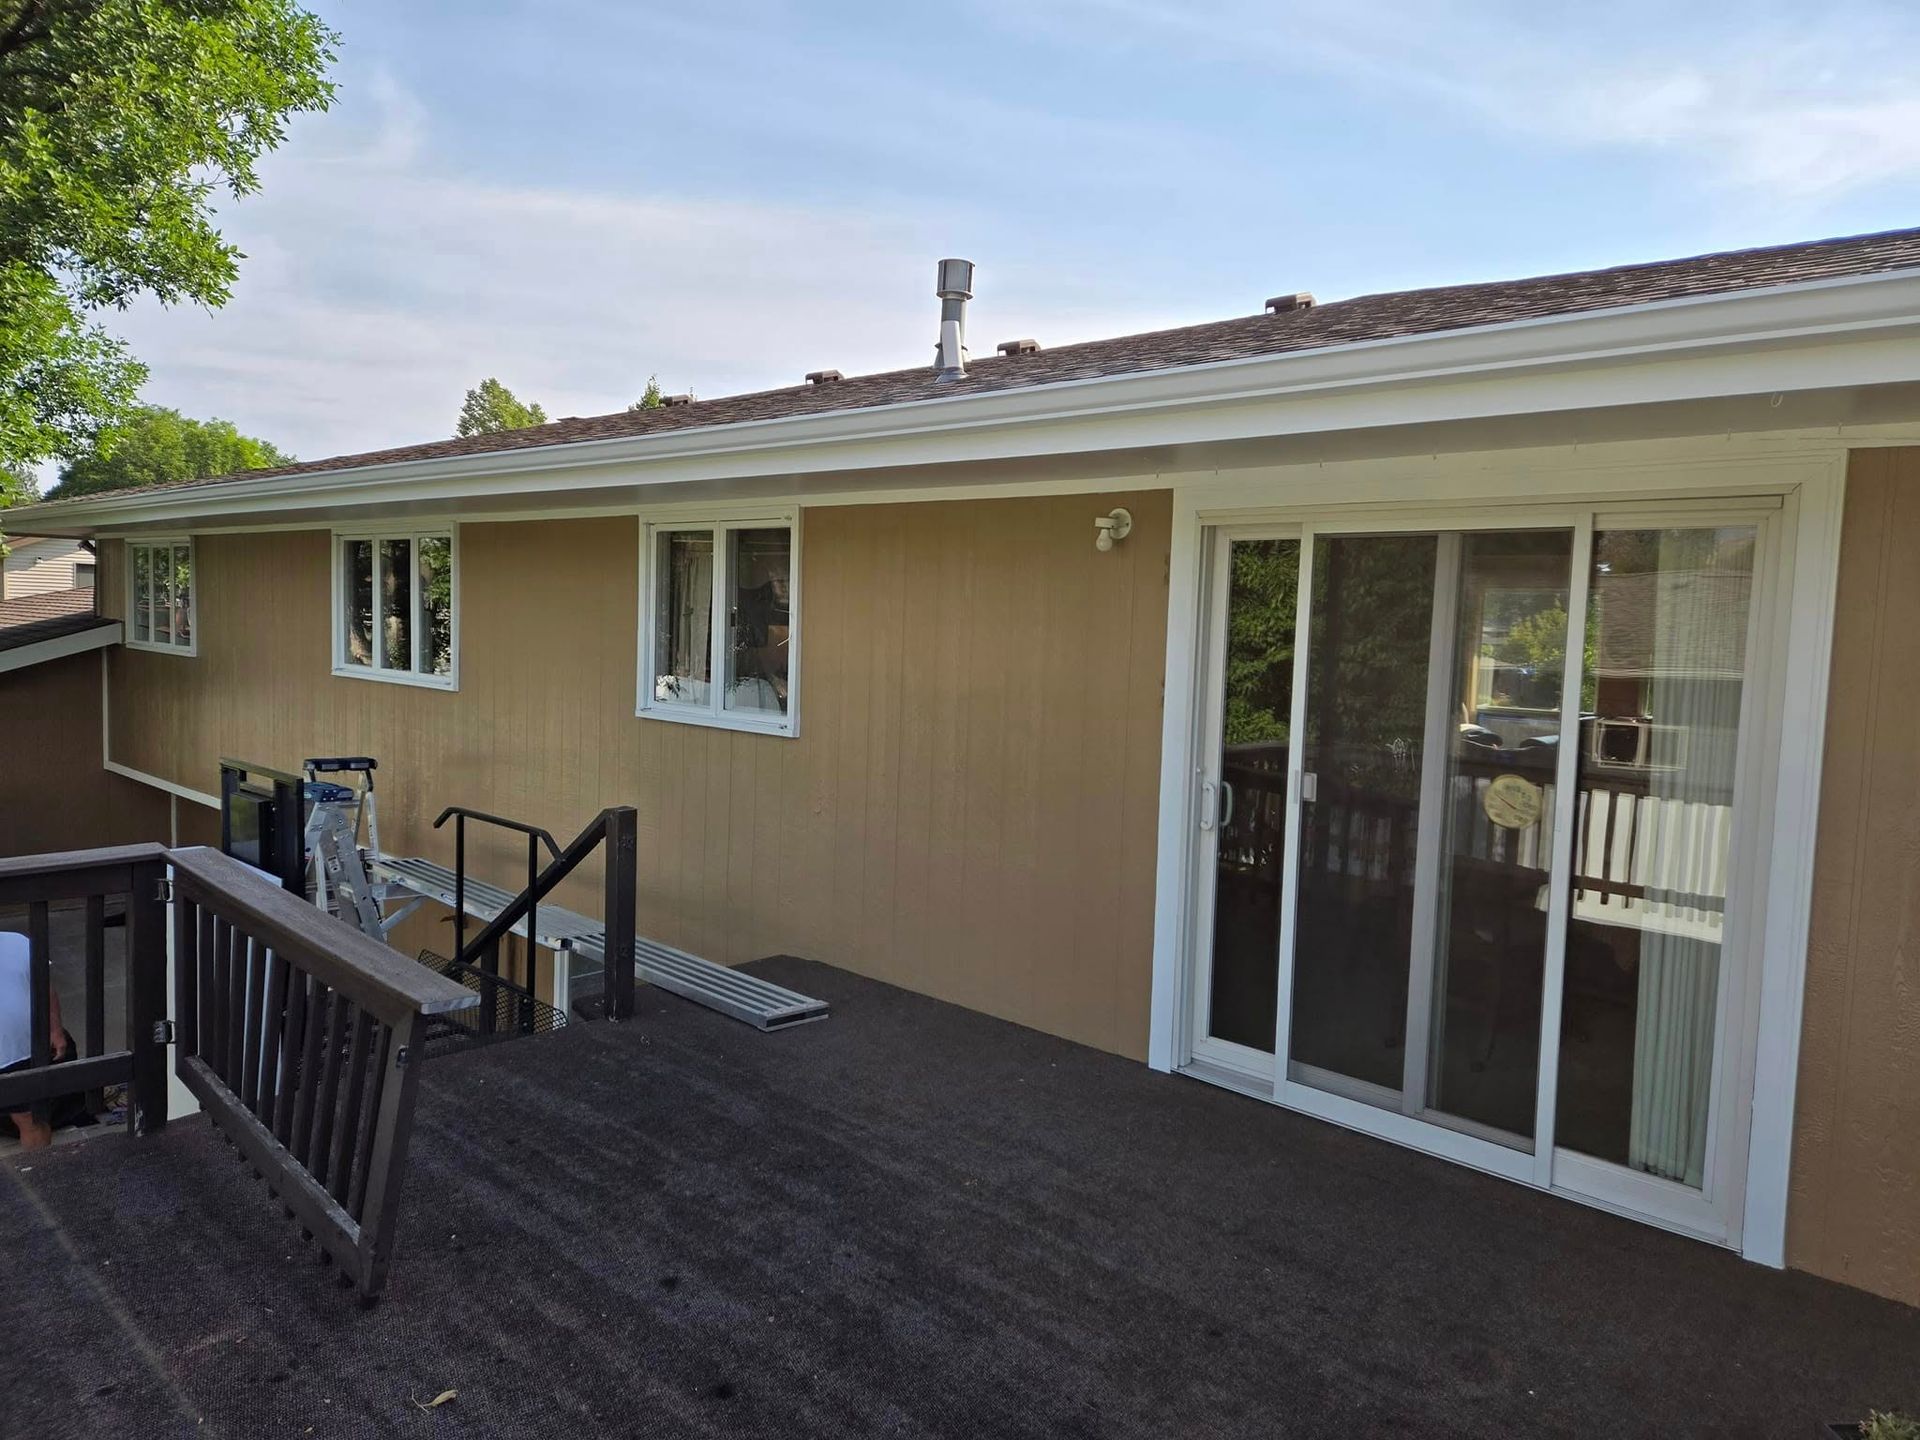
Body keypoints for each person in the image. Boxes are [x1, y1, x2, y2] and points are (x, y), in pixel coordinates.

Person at [1, 930, 70, 1149]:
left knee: (31, 1119)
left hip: (20, 1052)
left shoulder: (18, 942)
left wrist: (55, 1030)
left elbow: (45, 988)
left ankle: (41, 1176)